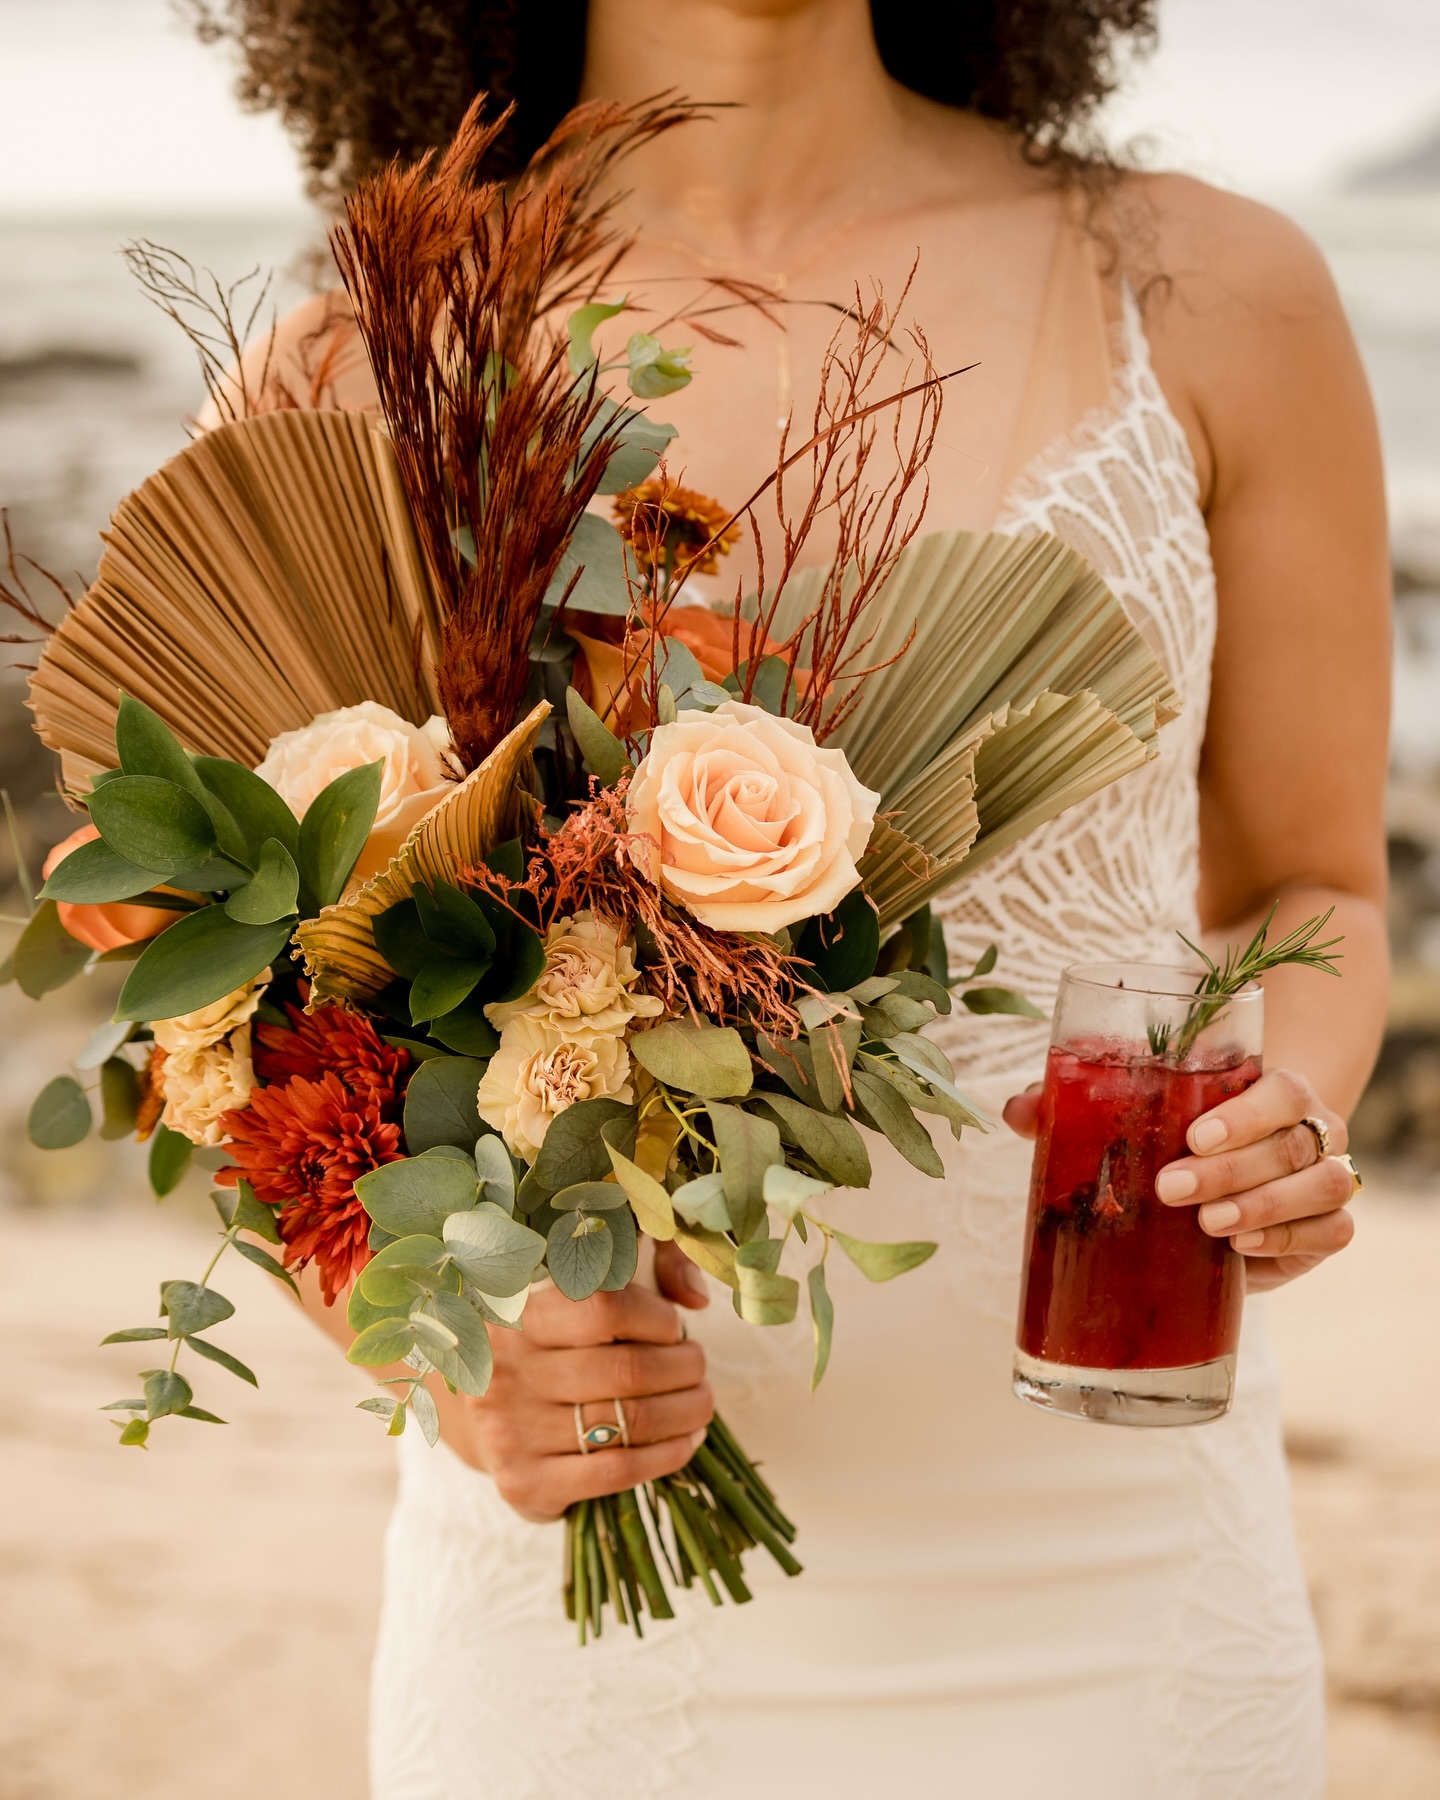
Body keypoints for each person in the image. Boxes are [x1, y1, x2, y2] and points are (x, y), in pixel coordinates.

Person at [197, 1, 1390, 1793]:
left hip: (1125, 1568)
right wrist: (435, 1356)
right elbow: (241, 1034)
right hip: (597, 1608)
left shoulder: (1218, 291)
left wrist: (1289, 1105)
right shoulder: (350, 380)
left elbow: (1314, 883)